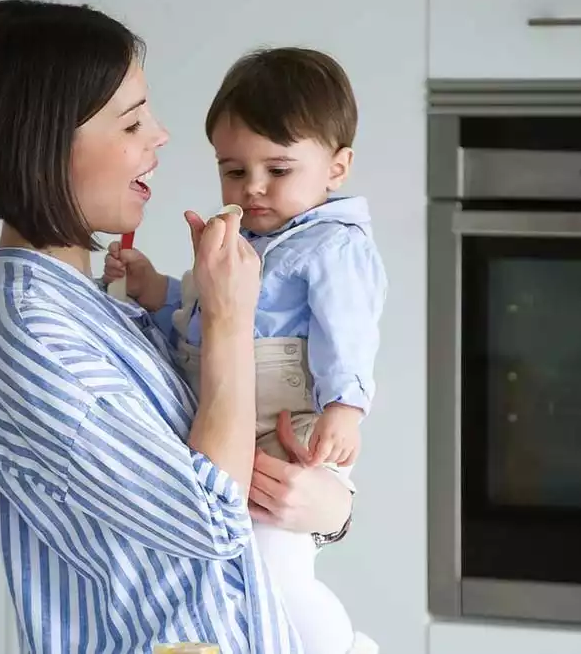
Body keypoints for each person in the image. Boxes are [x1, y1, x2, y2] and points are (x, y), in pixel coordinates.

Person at [0, 0, 356, 654]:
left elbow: (237, 482)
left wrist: (329, 511)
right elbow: (210, 517)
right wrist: (230, 320)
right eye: (131, 123)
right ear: (42, 147)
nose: (161, 135)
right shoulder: (32, 338)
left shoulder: (98, 305)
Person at [104, 48, 387, 654]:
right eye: (233, 170)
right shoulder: (252, 239)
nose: (252, 189)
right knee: (251, 573)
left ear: (337, 168)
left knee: (275, 569)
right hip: (238, 421)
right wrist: (160, 290)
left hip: (286, 425)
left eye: (278, 171)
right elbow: (208, 314)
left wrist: (345, 405)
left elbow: (351, 330)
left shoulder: (333, 246)